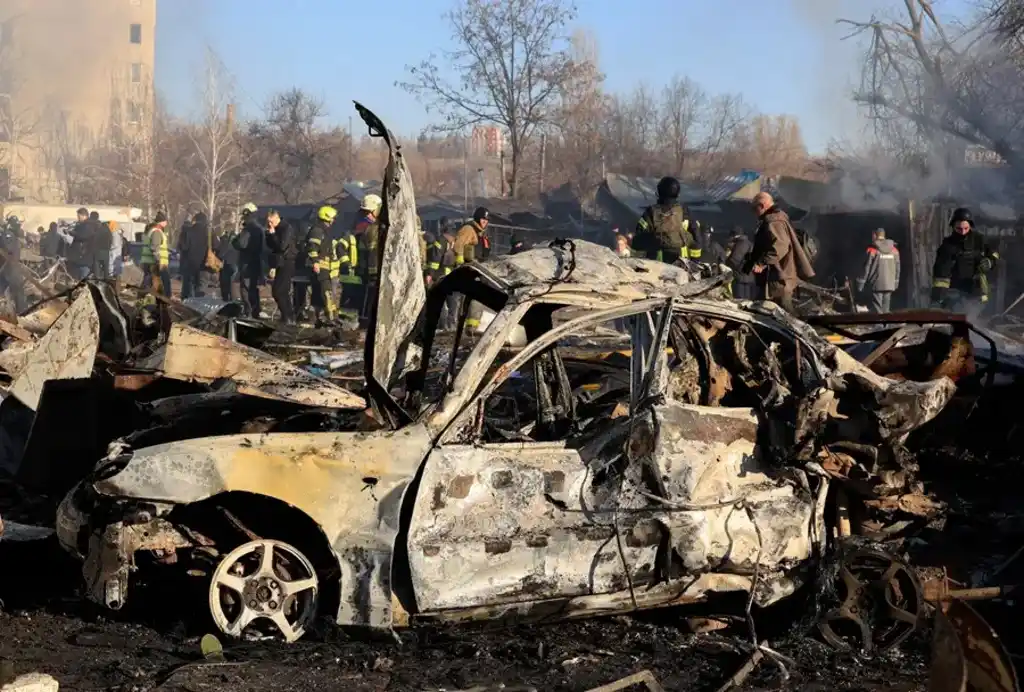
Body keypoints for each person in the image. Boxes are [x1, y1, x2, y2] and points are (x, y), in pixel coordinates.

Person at [744, 192, 815, 314]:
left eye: (755, 209)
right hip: (777, 277)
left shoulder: (773, 221)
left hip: (779, 278)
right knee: (769, 311)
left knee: (786, 314)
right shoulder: (776, 218)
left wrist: (761, 263)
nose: (754, 213)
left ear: (762, 206)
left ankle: (801, 332)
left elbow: (779, 247)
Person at [931, 207, 999, 318]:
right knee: (957, 319)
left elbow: (994, 253)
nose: (962, 232)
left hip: (977, 290)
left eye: (965, 228)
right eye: (959, 229)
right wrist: (938, 295)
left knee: (974, 319)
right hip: (955, 291)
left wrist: (990, 261)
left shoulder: (979, 239)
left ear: (970, 226)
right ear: (953, 226)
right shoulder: (948, 245)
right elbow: (941, 271)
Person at [632, 176, 700, 264]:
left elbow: (638, 239)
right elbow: (696, 237)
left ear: (658, 192)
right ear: (677, 194)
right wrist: (695, 261)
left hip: (657, 265)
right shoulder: (684, 211)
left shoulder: (651, 212)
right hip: (682, 263)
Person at [307, 205, 340, 324]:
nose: (333, 220)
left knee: (317, 294)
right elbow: (312, 247)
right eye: (333, 218)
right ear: (328, 217)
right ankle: (331, 318)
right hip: (321, 267)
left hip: (325, 267)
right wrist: (315, 262)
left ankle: (316, 318)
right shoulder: (318, 230)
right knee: (327, 292)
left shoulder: (324, 230)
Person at [265, 209, 299, 324]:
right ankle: (287, 316)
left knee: (280, 291)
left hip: (287, 262)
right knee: (277, 291)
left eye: (271, 221)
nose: (270, 224)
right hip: (279, 262)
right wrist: (269, 234)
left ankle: (289, 316)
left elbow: (282, 246)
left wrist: (273, 234)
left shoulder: (286, 228)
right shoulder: (275, 229)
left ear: (276, 218)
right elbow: (271, 246)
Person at [856, 228, 900, 314]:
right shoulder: (894, 250)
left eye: (873, 235)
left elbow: (866, 267)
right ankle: (886, 325)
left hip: (877, 284)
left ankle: (879, 326)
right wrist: (895, 283)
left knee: (878, 310)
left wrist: (861, 284)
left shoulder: (872, 250)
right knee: (886, 309)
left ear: (875, 235)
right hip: (889, 284)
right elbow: (898, 267)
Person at [233, 203, 265, 317]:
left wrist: (235, 240)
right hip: (256, 262)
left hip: (247, 263)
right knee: (253, 288)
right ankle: (256, 311)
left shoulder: (249, 229)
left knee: (245, 289)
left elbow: (241, 243)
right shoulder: (260, 229)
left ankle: (249, 312)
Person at [354, 194, 383, 319]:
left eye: (369, 212)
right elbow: (367, 252)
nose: (367, 216)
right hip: (369, 270)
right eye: (365, 213)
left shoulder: (381, 227)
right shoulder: (364, 227)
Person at [178, 212, 210, 299]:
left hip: (190, 264)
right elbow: (218, 246)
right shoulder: (209, 232)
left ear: (195, 220)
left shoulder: (188, 231)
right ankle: (199, 308)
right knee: (201, 288)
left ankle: (187, 307)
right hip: (205, 265)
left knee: (188, 288)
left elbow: (184, 247)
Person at [0, 217, 26, 313]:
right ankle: (21, 312)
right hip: (10, 268)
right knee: (18, 290)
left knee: (4, 289)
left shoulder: (9, 234)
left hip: (6, 267)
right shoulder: (9, 235)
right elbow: (9, 249)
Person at [141, 211, 171, 296]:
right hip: (155, 262)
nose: (166, 223)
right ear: (161, 222)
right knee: (159, 282)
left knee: (149, 282)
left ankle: (146, 298)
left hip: (149, 261)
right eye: (165, 221)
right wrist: (159, 260)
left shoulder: (151, 231)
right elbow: (155, 248)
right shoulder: (157, 232)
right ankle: (162, 299)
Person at [723, 226, 756, 300]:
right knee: (747, 301)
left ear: (735, 235)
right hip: (749, 276)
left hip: (740, 277)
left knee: (739, 300)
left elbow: (734, 260)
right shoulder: (749, 243)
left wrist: (726, 261)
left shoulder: (740, 244)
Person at [69, 207, 95, 280]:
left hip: (83, 258)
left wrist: (73, 233)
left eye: (78, 216)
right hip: (79, 258)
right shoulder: (82, 225)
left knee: (82, 281)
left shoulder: (89, 225)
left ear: (84, 215)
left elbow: (84, 236)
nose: (77, 218)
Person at [215, 223, 239, 302]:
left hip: (225, 263)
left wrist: (218, 258)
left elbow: (220, 251)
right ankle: (233, 300)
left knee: (224, 283)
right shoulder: (237, 238)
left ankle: (226, 300)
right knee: (232, 283)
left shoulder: (223, 239)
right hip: (234, 262)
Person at [108, 221, 124, 288]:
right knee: (116, 272)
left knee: (112, 272)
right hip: (117, 254)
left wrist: (108, 247)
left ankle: (113, 287)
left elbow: (115, 244)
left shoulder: (114, 233)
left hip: (114, 254)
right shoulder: (118, 233)